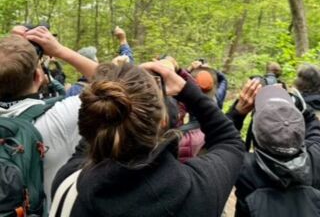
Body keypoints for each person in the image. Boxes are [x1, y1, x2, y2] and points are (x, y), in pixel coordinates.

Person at [50, 62, 245, 217]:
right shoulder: (199, 194)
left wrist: (114, 85)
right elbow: (230, 140)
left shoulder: (67, 182)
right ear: (164, 122)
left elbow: (89, 141)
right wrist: (186, 88)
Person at [2, 26, 98, 206]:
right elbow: (128, 86)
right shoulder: (63, 114)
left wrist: (10, 50)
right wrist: (60, 51)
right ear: (39, 77)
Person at [230, 85, 320, 217]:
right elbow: (314, 126)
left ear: (256, 133)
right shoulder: (316, 157)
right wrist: (295, 102)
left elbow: (222, 141)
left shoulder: (243, 168)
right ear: (301, 130)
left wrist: (237, 113)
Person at [66, 26, 133, 97]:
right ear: (96, 60)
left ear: (78, 69)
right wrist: (123, 40)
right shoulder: (112, 82)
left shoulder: (73, 90)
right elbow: (129, 67)